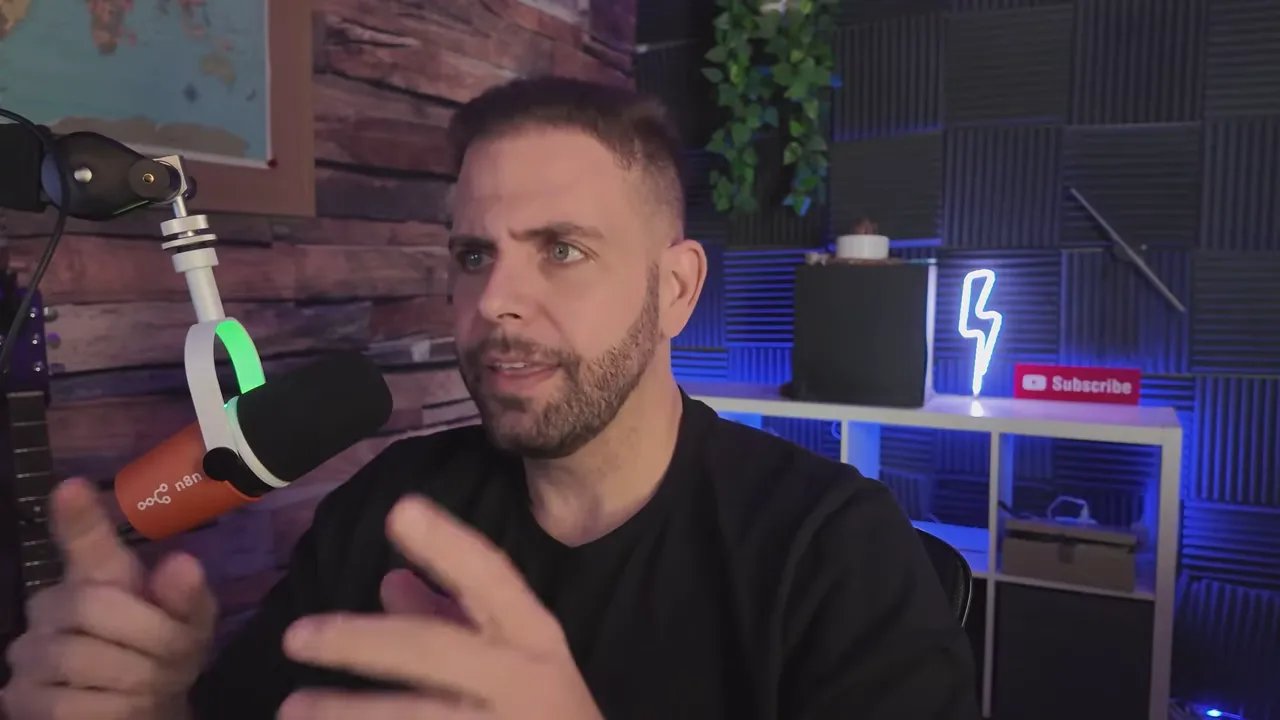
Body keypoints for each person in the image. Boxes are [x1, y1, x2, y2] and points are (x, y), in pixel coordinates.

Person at [1, 76, 978, 720]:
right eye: (473, 255)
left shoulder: (834, 550)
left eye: (563, 249)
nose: (495, 300)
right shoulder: (386, 508)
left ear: (676, 289)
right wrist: (159, 704)